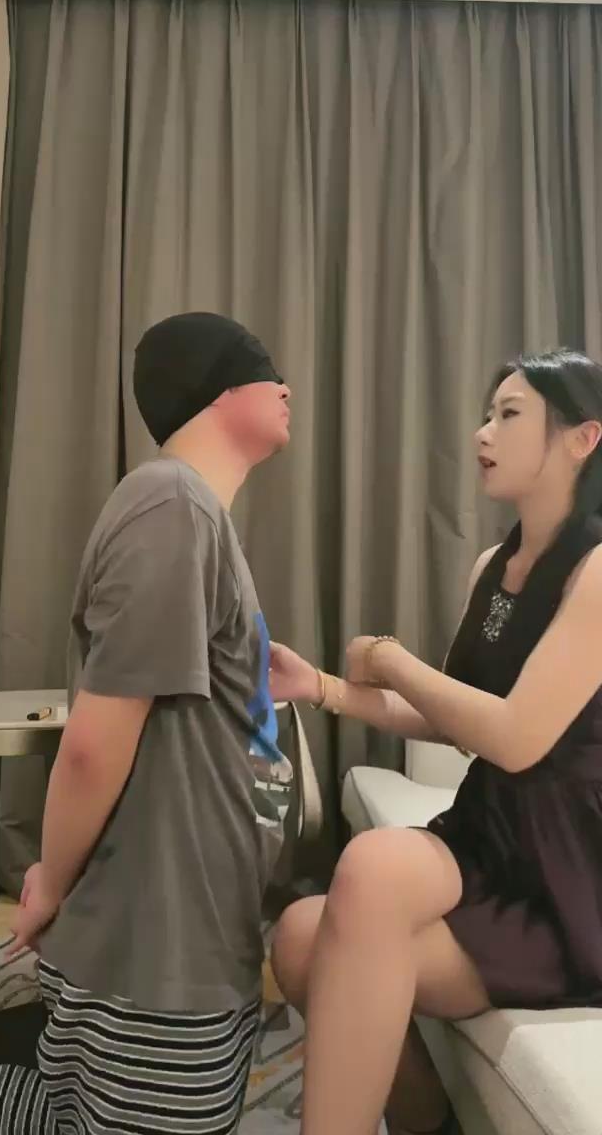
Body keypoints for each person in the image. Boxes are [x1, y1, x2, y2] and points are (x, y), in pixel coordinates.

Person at [0, 311, 294, 1135]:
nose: (287, 388)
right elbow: (96, 743)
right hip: (158, 937)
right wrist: (51, 882)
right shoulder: (170, 504)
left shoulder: (196, 516)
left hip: (197, 925)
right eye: (266, 371)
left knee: (106, 1113)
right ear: (218, 392)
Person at [267, 348, 602, 1135]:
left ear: (583, 438)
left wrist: (391, 660)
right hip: (487, 834)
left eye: (509, 415)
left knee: (370, 872)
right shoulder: (495, 565)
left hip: (567, 873)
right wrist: (322, 686)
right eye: (487, 415)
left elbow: (514, 738)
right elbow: (455, 716)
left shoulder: (597, 570)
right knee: (299, 936)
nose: (484, 432)